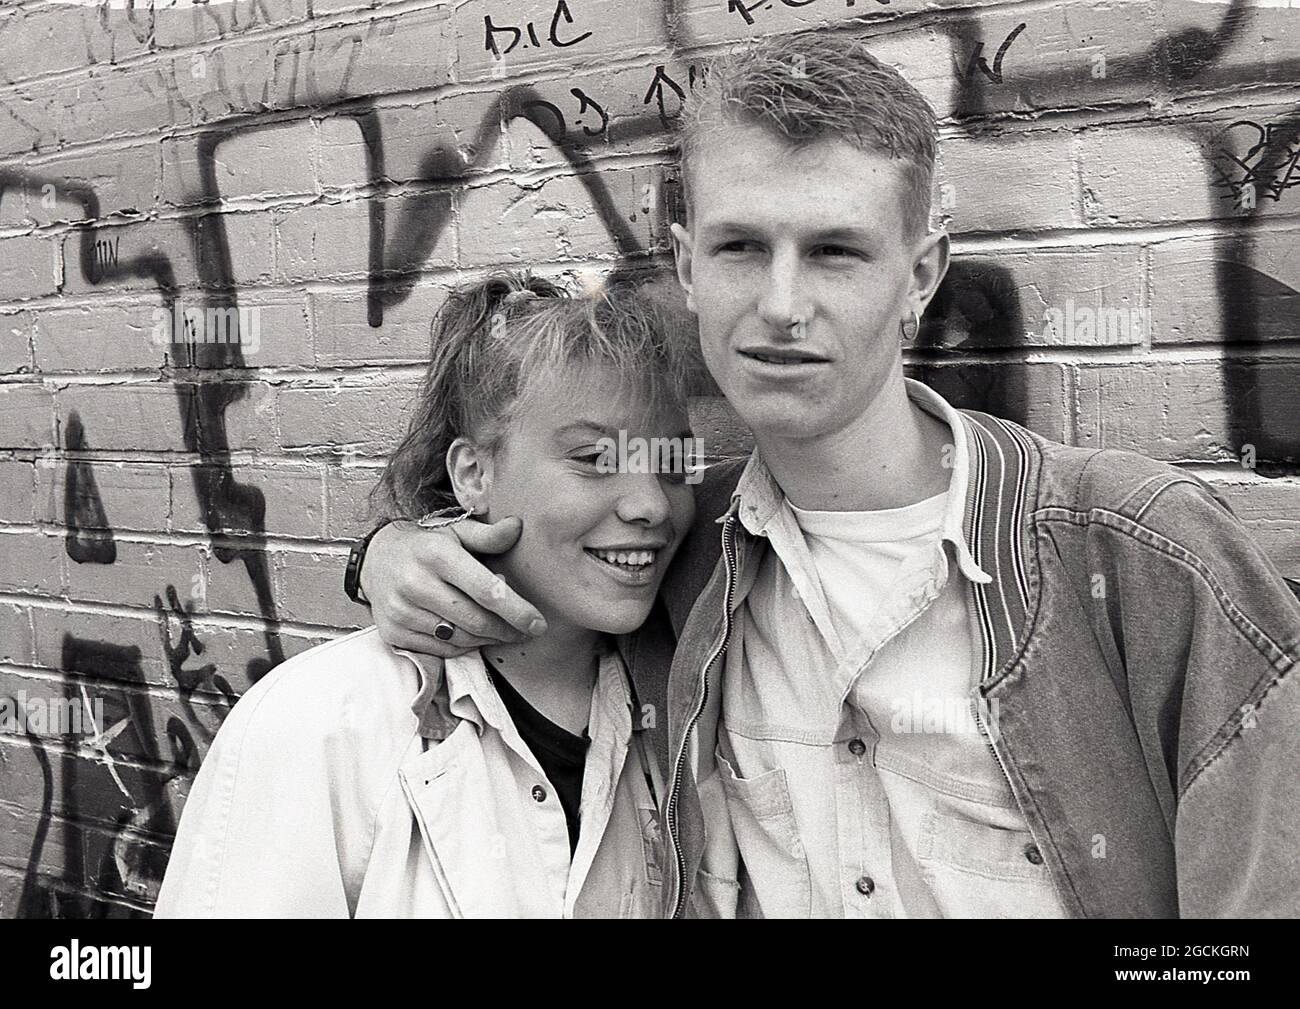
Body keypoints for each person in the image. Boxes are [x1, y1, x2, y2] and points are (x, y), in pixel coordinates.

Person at [350, 35, 1300, 917]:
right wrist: (387, 550)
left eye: (835, 252)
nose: (781, 305)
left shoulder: (1142, 559)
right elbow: (529, 545)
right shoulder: (679, 547)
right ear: (686, 267)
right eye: (741, 248)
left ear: (920, 275)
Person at [155, 273, 699, 917]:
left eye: (673, 464)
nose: (650, 505)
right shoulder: (320, 725)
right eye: (593, 459)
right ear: (473, 474)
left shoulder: (683, 704)